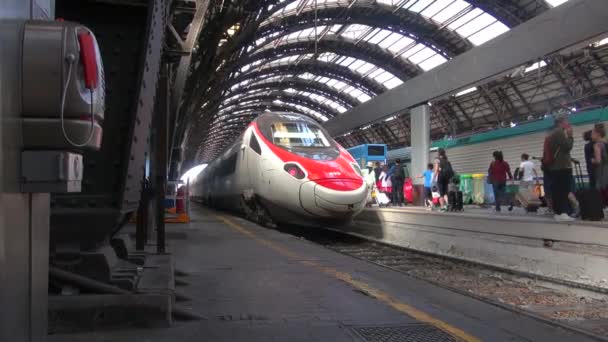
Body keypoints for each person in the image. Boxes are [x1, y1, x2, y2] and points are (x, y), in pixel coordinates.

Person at [544, 115, 575, 222]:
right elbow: (567, 147)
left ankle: (558, 213)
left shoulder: (553, 133)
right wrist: (570, 136)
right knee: (563, 190)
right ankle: (563, 213)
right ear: (561, 123)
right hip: (562, 166)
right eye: (567, 121)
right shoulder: (559, 132)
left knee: (557, 190)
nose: (568, 123)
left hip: (555, 167)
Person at [591, 125, 608, 205]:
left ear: (598, 134)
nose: (591, 136)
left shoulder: (597, 145)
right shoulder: (606, 142)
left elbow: (598, 160)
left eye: (592, 133)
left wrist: (593, 160)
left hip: (602, 171)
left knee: (600, 189)